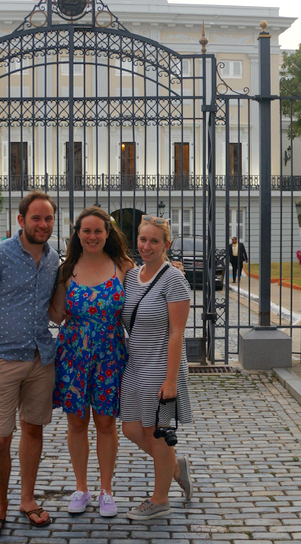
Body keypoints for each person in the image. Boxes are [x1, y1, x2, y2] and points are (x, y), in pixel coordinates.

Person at [0, 191, 59, 538]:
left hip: (40, 359)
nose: (42, 224)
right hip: (2, 360)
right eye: (36, 218)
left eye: (48, 218)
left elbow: (54, 307)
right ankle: (0, 505)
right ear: (21, 221)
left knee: (33, 430)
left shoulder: (53, 259)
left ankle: (27, 499)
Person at [50, 207, 134, 518]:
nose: (92, 236)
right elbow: (57, 314)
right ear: (78, 234)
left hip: (110, 354)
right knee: (76, 422)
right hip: (73, 355)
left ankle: (106, 490)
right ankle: (82, 487)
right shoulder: (66, 270)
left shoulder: (123, 266)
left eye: (98, 230)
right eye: (86, 231)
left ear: (108, 233)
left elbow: (150, 291)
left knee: (106, 422)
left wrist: (172, 270)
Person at [120, 215, 193, 520]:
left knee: (156, 433)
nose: (147, 246)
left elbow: (177, 331)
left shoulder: (174, 279)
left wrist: (171, 381)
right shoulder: (132, 276)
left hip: (161, 367)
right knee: (131, 429)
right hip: (134, 365)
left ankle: (160, 499)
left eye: (154, 241)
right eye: (142, 240)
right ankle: (174, 467)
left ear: (167, 245)